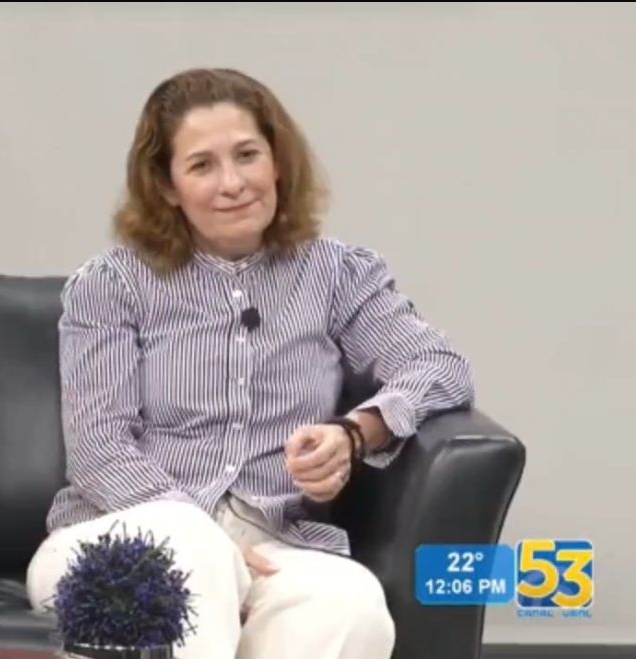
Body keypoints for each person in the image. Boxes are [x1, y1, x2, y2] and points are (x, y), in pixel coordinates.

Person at [26, 67, 474, 659]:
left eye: (247, 155)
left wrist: (355, 433)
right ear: (166, 186)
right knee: (191, 551)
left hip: (273, 546)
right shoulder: (112, 285)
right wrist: (207, 542)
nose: (233, 183)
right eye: (201, 165)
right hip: (123, 535)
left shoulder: (337, 274)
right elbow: (98, 447)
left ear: (277, 162)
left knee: (352, 603)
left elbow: (439, 364)